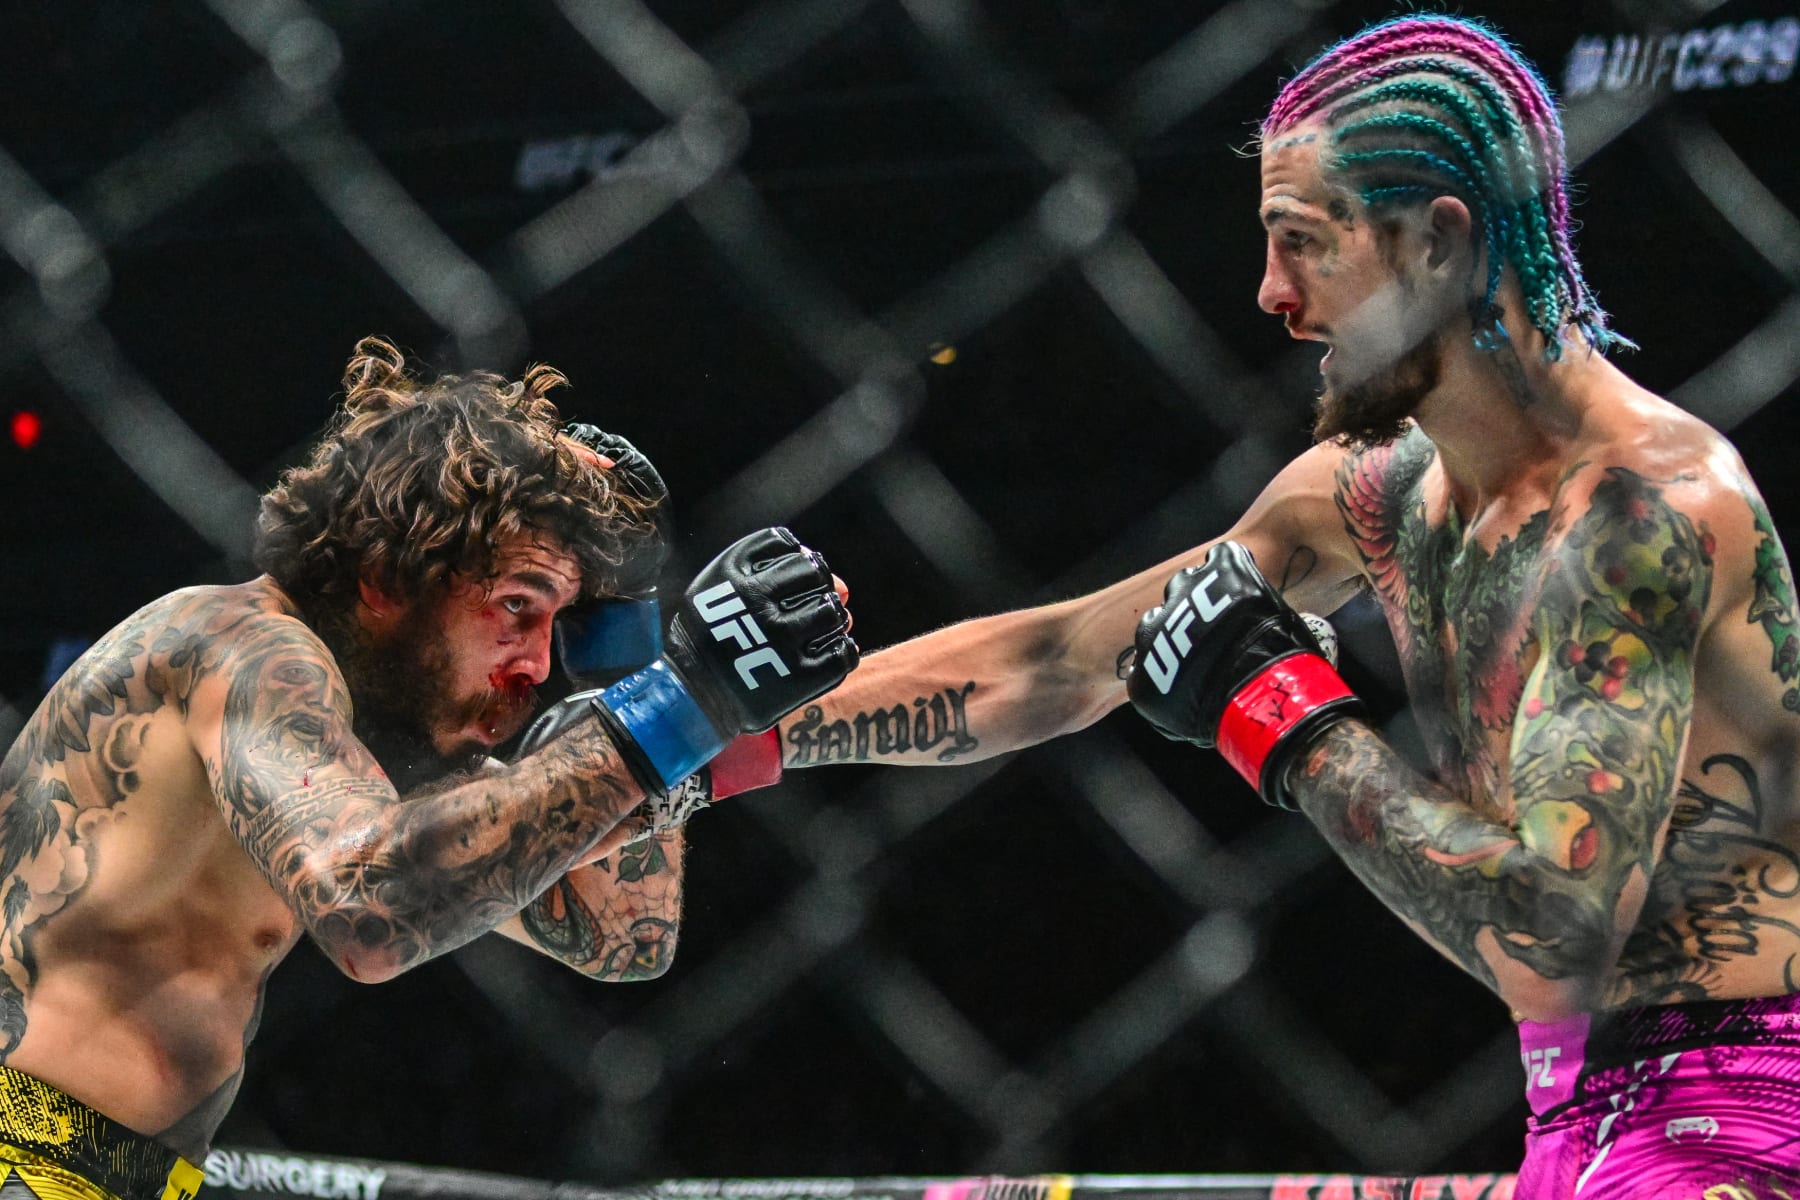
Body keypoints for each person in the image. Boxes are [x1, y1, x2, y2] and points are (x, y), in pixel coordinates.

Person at [769, 15, 1800, 1196]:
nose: (1270, 295)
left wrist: (1286, 719)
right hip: (1570, 1107)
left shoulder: (1642, 515)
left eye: (1305, 245)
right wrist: (728, 737)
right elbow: (1062, 658)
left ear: (1434, 246)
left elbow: (1553, 942)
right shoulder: (1376, 493)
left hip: (1743, 1110)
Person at [0, 337, 858, 1200]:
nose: (535, 661)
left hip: (110, 1175)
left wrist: (630, 666)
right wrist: (686, 703)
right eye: (516, 606)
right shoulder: (243, 649)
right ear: (386, 576)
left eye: (560, 622)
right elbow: (367, 910)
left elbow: (620, 933)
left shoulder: (375, 741)